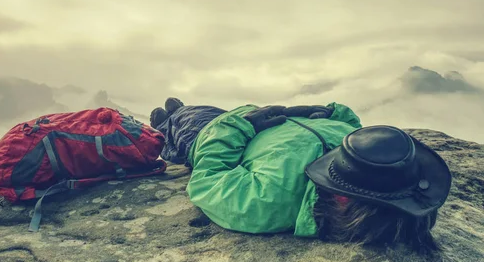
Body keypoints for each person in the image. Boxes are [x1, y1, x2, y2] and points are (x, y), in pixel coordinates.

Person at [150, 98, 452, 252]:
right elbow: (358, 130)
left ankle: (167, 121)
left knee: (184, 121)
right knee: (203, 109)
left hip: (214, 134)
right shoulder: (367, 163)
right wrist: (332, 113)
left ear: (343, 198)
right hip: (266, 118)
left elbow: (208, 179)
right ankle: (178, 110)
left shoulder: (267, 201)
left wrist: (240, 126)